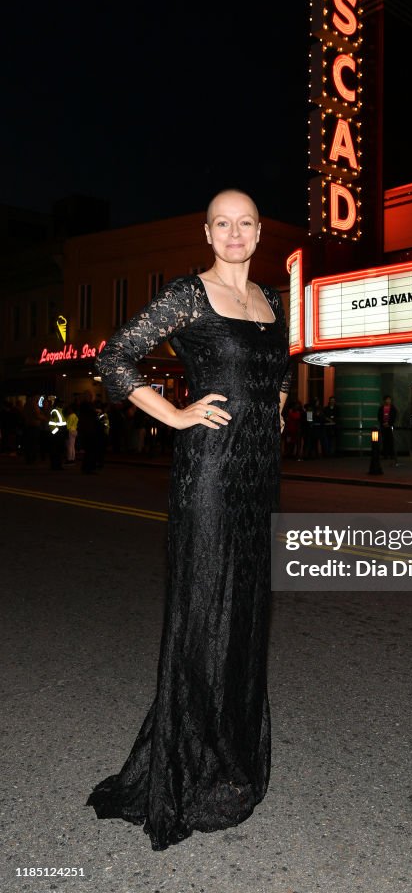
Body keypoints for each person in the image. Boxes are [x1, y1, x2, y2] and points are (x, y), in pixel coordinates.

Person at [86, 189, 292, 851]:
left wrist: (277, 409)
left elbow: (279, 370)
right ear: (208, 232)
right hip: (206, 473)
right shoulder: (188, 294)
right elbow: (113, 357)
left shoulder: (272, 301)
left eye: (245, 224)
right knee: (206, 613)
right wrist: (173, 414)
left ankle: (230, 761)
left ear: (259, 234)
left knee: (246, 617)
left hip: (257, 476)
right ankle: (189, 769)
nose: (234, 234)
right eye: (222, 224)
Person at [377, 394, 397, 461]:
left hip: (390, 426)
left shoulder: (393, 408)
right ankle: (385, 454)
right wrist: (383, 423)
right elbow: (379, 416)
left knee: (391, 440)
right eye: (387, 399)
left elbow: (394, 417)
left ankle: (391, 454)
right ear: (384, 400)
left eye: (389, 399)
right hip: (383, 426)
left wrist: (389, 423)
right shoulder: (381, 408)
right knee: (384, 440)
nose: (388, 401)